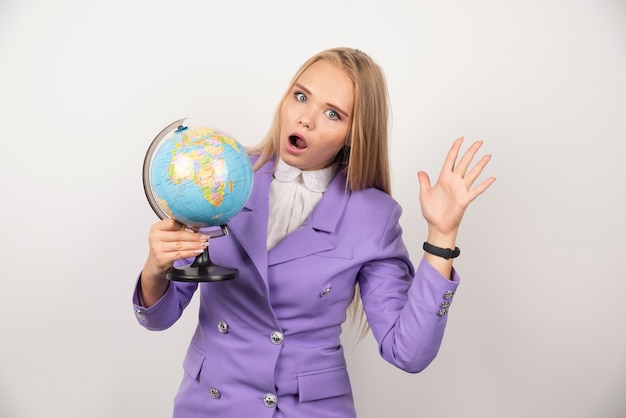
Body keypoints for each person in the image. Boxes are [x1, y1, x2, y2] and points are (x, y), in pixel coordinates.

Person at [133, 47, 495, 418]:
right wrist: (154, 268)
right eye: (301, 96)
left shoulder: (373, 216)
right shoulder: (222, 174)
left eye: (332, 113)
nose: (306, 119)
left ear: (353, 134)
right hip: (208, 407)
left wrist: (441, 236)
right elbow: (158, 318)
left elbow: (408, 353)